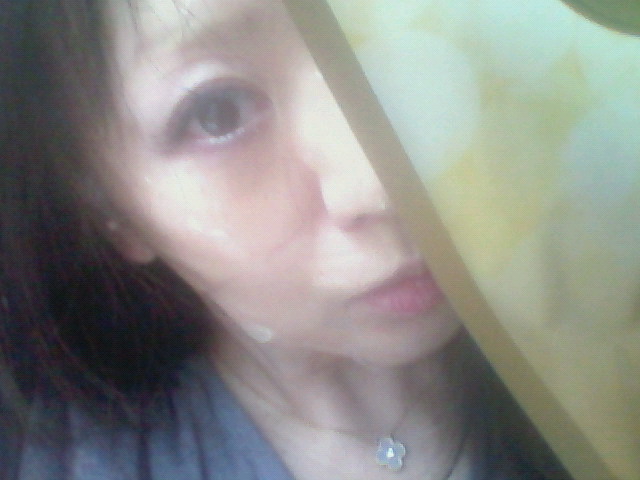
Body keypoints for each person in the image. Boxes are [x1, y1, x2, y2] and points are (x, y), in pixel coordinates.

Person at [0, 0, 572, 478]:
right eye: (216, 112)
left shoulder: (591, 293)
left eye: (396, 41)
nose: (383, 184)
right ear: (112, 212)